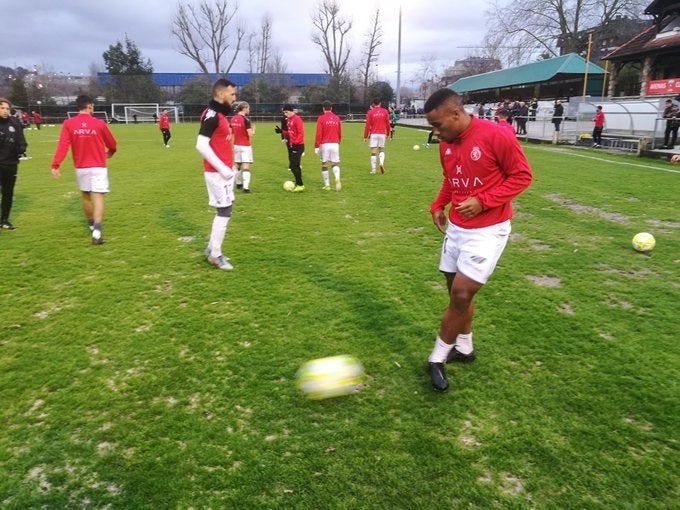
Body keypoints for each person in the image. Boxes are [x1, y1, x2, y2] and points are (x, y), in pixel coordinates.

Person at [422, 88, 532, 392]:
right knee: (457, 295)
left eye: (438, 125)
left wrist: (483, 201)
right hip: (456, 229)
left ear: (456, 114)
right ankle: (465, 349)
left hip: (488, 230)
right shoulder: (445, 144)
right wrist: (437, 205)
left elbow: (522, 176)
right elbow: (451, 179)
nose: (435, 132)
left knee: (460, 295)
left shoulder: (496, 135)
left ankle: (437, 358)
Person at [50, 94, 117, 245]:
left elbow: (63, 145)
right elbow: (112, 143)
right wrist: (110, 152)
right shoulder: (98, 123)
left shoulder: (68, 124)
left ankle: (92, 225)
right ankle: (97, 232)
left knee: (85, 196)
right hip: (98, 166)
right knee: (98, 197)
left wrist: (55, 164)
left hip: (81, 167)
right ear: (90, 106)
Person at [195, 78, 238, 270]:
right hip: (217, 173)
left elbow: (221, 143)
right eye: (232, 94)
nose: (234, 98)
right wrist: (223, 169)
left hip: (223, 172)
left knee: (225, 209)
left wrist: (231, 166)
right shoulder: (212, 115)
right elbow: (201, 145)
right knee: (224, 211)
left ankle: (212, 248)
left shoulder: (218, 114)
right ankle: (215, 254)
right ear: (221, 94)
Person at [0, 98, 28, 230]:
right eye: (2, 108)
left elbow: (22, 142)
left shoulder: (14, 124)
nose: (5, 111)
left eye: (7, 109)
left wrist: (21, 149)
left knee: (8, 193)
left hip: (10, 164)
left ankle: (4, 220)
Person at [314, 100, 342, 191]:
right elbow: (339, 132)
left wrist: (316, 146)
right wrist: (338, 142)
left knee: (324, 164)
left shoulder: (321, 118)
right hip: (335, 143)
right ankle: (337, 177)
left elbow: (319, 133)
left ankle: (327, 185)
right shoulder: (337, 118)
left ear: (323, 109)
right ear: (331, 108)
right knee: (334, 163)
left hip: (325, 144)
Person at [230, 101, 255, 193]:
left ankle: (238, 183)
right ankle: (246, 188)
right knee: (246, 165)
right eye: (248, 108)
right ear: (244, 108)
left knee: (237, 165)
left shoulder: (232, 119)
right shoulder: (246, 119)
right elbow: (250, 134)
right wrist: (253, 130)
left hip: (236, 145)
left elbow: (230, 132)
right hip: (245, 146)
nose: (248, 110)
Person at [363, 97, 391, 174]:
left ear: (373, 104)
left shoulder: (370, 112)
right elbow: (388, 124)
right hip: (382, 133)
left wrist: (365, 136)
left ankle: (373, 170)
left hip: (374, 134)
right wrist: (388, 133)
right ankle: (381, 163)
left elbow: (367, 125)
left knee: (373, 151)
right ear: (380, 103)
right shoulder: (385, 111)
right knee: (381, 149)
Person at [282, 104, 305, 192]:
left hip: (298, 145)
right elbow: (290, 132)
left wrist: (296, 143)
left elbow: (300, 133)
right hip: (293, 145)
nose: (285, 114)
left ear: (291, 111)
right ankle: (298, 182)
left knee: (292, 166)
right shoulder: (289, 120)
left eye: (286, 112)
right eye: (284, 112)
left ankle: (300, 184)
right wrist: (285, 136)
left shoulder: (297, 119)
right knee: (296, 165)